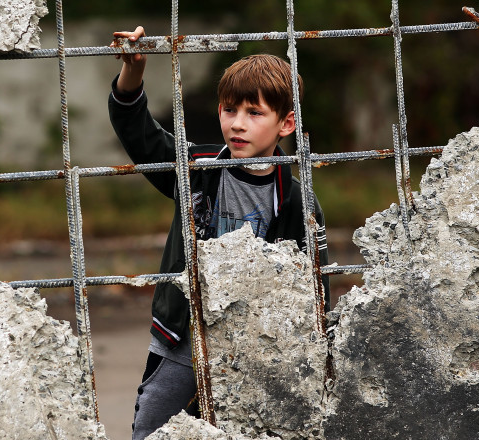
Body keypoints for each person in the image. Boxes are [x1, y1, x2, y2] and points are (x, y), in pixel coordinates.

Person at [108, 26, 329, 439]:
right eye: (229, 110)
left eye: (254, 113)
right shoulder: (196, 169)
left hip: (256, 350)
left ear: (286, 123)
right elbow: (136, 131)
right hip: (181, 341)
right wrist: (133, 72)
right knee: (150, 432)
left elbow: (318, 290)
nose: (237, 124)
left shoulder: (298, 203)